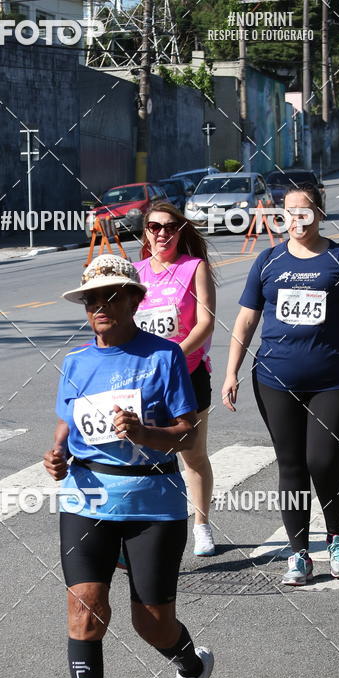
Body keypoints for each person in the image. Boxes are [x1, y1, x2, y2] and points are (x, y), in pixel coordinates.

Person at [43, 254, 214, 678]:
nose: (99, 306)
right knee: (85, 614)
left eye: (111, 296)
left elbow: (185, 434)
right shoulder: (74, 363)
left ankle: (190, 664)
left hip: (152, 504)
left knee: (151, 623)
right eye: (91, 298)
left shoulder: (164, 357)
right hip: (85, 501)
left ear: (135, 301)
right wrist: (56, 456)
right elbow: (66, 425)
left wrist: (145, 435)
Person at [221, 184, 339, 587]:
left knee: (324, 461)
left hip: (330, 379)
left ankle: (336, 536)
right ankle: (299, 552)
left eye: (305, 211)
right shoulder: (267, 261)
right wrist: (231, 372)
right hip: (274, 379)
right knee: (291, 464)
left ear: (319, 213)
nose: (297, 219)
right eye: (290, 211)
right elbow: (246, 320)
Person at [134, 201, 217, 556]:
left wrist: (174, 355)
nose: (162, 233)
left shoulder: (194, 267)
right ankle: (146, 528)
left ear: (180, 232)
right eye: (154, 227)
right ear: (146, 233)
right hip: (144, 380)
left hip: (188, 374)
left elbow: (206, 322)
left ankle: (201, 525)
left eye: (169, 227)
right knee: (141, 455)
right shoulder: (134, 272)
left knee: (192, 455)